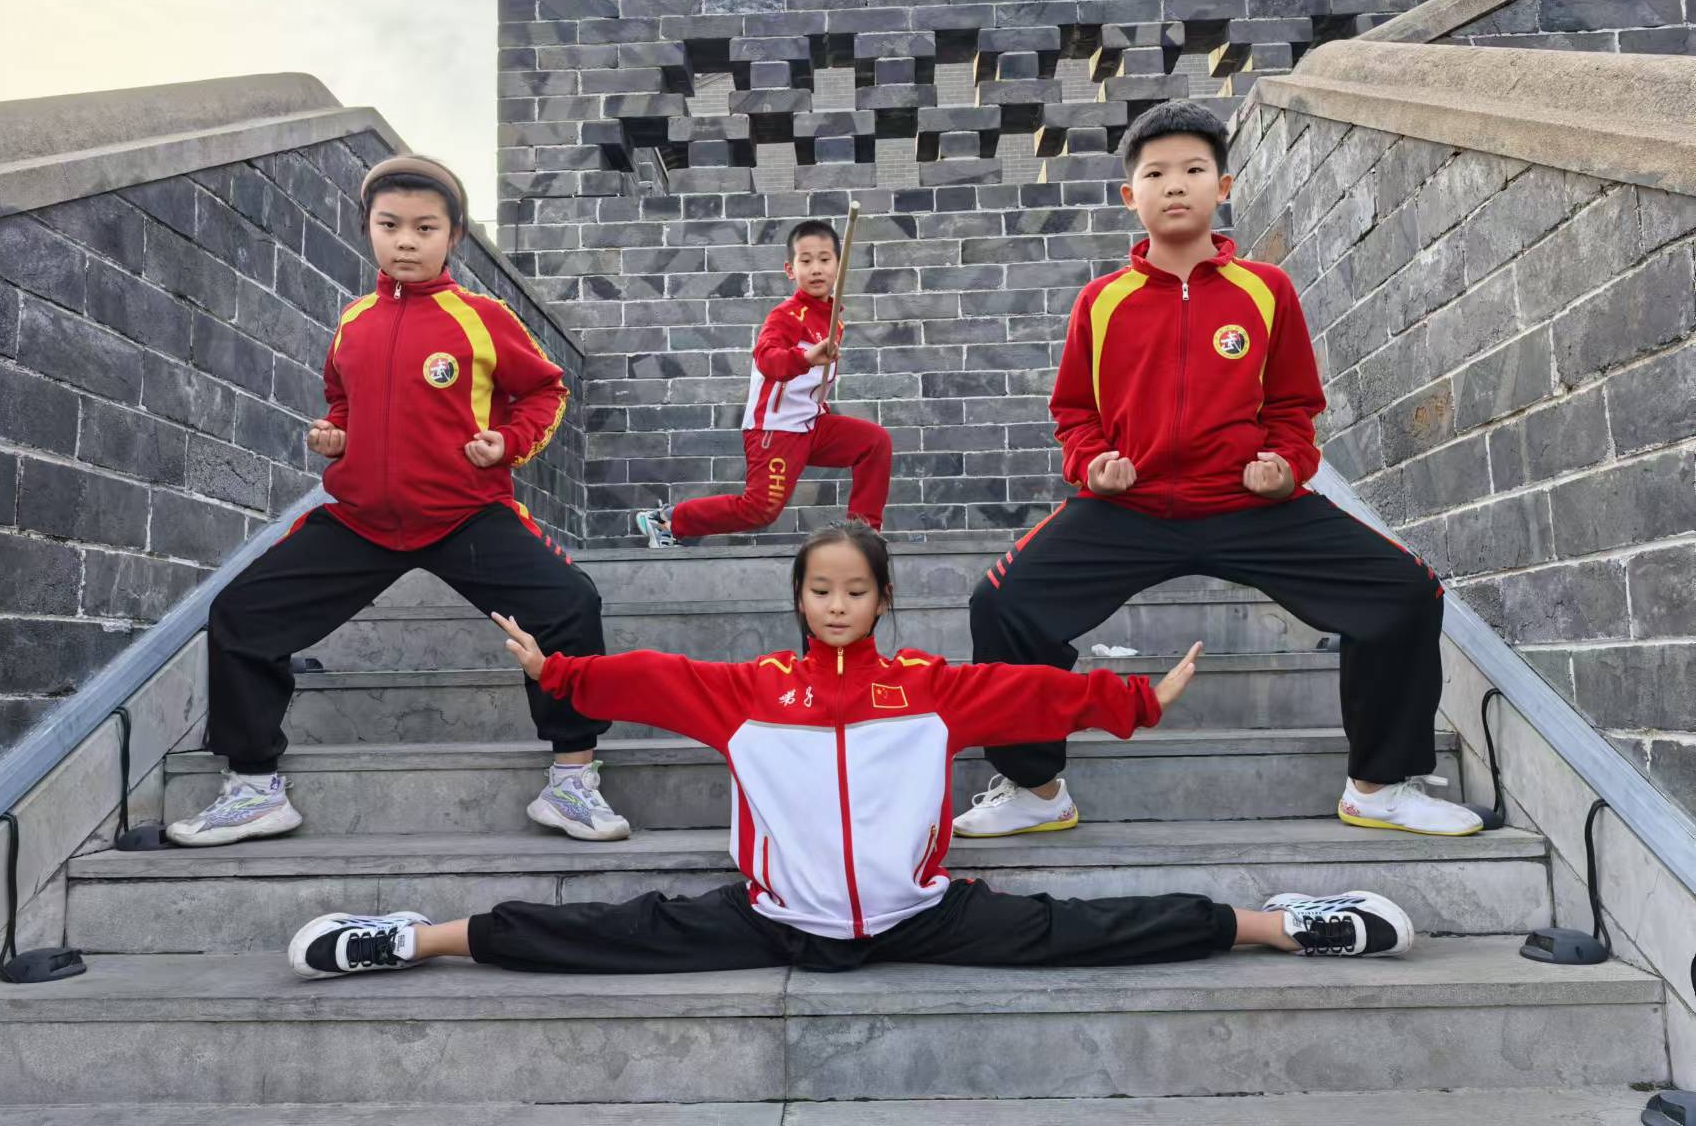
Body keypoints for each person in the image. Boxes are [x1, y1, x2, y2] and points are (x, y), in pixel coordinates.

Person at [285, 521, 1412, 979]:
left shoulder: (924, 688)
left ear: (880, 597)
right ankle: (410, 938)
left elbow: (1026, 691)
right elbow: (650, 679)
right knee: (600, 932)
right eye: (819, 589)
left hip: (922, 914)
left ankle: (1284, 922)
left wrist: (1131, 702)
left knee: (1089, 930)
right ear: (799, 597)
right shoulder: (749, 693)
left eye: (855, 589)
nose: (836, 603)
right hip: (774, 919)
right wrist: (562, 673)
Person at [953, 100, 1481, 842]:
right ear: (1129, 195)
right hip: (1130, 509)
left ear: (1222, 186)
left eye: (1193, 170)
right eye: (1155, 174)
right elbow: (1074, 411)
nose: (1175, 185)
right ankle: (1035, 789)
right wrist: (1092, 465)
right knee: (1001, 603)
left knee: (1406, 592)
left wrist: (1286, 468)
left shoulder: (1266, 291)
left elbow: (1295, 406)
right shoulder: (1101, 303)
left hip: (1246, 505)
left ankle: (1379, 787)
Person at [170, 155, 631, 847]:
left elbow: (546, 390)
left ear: (454, 236)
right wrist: (336, 433)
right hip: (361, 521)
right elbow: (342, 398)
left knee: (570, 602)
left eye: (425, 227)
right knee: (240, 613)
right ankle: (253, 789)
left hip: (464, 515)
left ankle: (572, 778)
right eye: (390, 226)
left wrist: (508, 443)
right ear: (368, 228)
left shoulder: (482, 318)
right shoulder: (353, 320)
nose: (406, 241)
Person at [633, 219, 892, 546]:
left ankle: (864, 537)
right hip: (776, 428)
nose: (816, 268)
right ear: (790, 270)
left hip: (811, 423)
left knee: (874, 442)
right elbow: (767, 360)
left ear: (838, 268)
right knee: (760, 510)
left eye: (825, 260)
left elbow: (812, 383)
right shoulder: (786, 316)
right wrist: (806, 357)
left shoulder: (833, 322)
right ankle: (666, 521)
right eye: (806, 260)